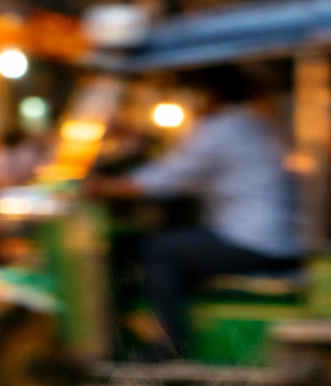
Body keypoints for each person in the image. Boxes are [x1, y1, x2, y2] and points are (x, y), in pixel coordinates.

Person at [86, 65, 300, 358]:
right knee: (171, 244)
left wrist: (105, 187)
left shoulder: (222, 129)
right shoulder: (252, 123)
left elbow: (168, 177)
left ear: (209, 95)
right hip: (269, 233)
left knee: (159, 251)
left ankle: (172, 345)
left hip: (253, 237)